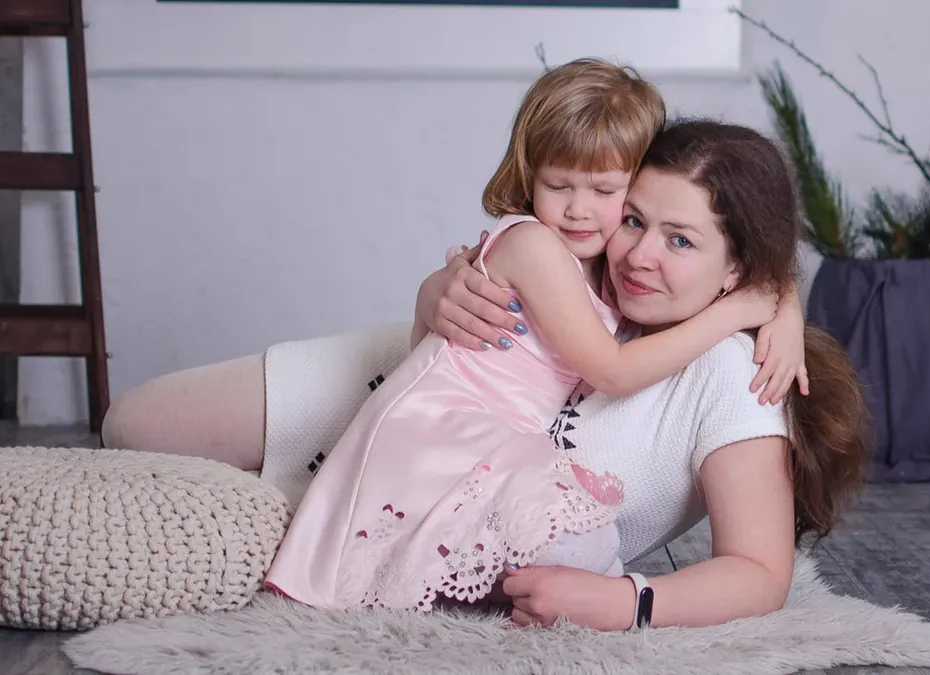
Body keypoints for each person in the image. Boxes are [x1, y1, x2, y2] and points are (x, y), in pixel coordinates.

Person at [100, 119, 867, 630]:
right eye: (633, 219)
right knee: (130, 425)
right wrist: (434, 296)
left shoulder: (733, 372)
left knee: (225, 531)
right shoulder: (600, 271)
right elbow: (530, 248)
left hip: (438, 497)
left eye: (680, 241)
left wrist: (624, 601)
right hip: (400, 389)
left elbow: (760, 570)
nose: (638, 255)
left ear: (736, 269)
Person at [261, 58, 789, 613]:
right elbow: (611, 369)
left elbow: (734, 238)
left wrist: (782, 303)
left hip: (490, 435)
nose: (579, 210)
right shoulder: (537, 247)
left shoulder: (613, 274)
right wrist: (735, 310)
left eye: (605, 191)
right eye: (558, 185)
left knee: (578, 543)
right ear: (530, 176)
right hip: (444, 429)